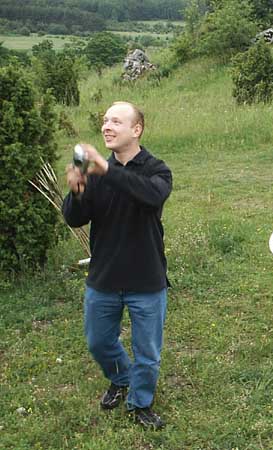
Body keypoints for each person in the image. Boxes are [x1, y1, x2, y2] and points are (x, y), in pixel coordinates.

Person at [62, 101, 172, 429]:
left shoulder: (156, 170)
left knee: (147, 353)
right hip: (105, 277)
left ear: (136, 130)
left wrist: (106, 170)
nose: (106, 127)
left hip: (146, 278)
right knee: (98, 342)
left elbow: (150, 196)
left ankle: (141, 402)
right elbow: (74, 219)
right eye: (105, 121)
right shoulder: (96, 174)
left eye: (116, 122)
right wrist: (77, 192)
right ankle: (121, 377)